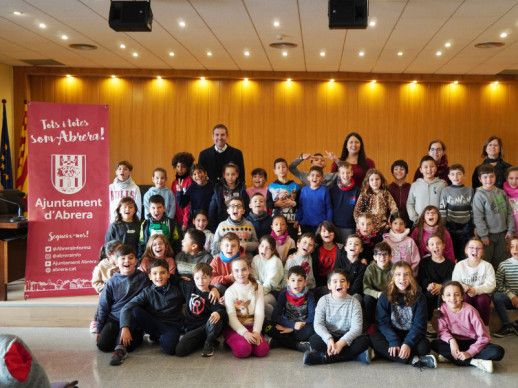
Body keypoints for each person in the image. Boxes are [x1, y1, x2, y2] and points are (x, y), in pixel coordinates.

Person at [370, 261, 436, 369]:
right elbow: (382, 322)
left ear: (411, 277)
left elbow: (419, 325)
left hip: (410, 334)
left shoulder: (420, 297)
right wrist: (393, 340)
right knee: (373, 339)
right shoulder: (385, 296)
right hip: (391, 334)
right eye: (398, 274)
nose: (403, 278)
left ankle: (388, 354)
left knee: (424, 347)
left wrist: (408, 344)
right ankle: (412, 360)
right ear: (392, 277)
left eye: (406, 274)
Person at [431, 281, 505, 373]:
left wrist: (470, 352)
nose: (453, 298)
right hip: (456, 343)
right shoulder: (442, 309)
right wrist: (452, 341)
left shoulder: (470, 311)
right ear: (443, 298)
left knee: (498, 351)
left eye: (456, 294)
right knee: (435, 344)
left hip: (473, 342)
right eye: (448, 295)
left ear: (462, 297)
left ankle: (454, 358)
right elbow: (442, 332)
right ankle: (475, 362)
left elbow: (484, 338)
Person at [118, 260, 185, 361]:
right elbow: (126, 307)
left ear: (168, 274)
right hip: (154, 323)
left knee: (169, 350)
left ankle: (160, 338)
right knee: (135, 310)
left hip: (171, 325)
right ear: (150, 276)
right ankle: (119, 349)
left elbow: (195, 289)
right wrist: (124, 327)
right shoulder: (147, 292)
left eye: (162, 272)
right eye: (155, 273)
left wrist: (213, 289)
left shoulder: (177, 289)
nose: (159, 277)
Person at [303, 269, 370, 365]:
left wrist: (341, 343)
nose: (339, 284)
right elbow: (318, 324)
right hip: (330, 337)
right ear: (329, 286)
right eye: (335, 281)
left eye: (342, 281)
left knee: (364, 341)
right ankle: (355, 355)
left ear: (348, 285)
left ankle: (324, 358)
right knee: (314, 340)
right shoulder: (323, 301)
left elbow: (357, 328)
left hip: (347, 338)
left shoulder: (354, 302)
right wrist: (329, 339)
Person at [96, 245, 149, 365]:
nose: (127, 261)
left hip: (133, 320)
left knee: (127, 346)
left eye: (130, 258)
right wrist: (99, 329)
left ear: (136, 261)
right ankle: (120, 338)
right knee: (103, 345)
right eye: (123, 258)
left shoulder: (143, 278)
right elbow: (104, 306)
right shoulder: (111, 282)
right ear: (116, 262)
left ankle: (130, 340)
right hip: (115, 319)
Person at [175, 262, 226, 357]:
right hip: (193, 328)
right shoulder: (189, 287)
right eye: (197, 278)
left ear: (211, 278)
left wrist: (218, 313)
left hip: (206, 327)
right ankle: (204, 340)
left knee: (216, 317)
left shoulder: (212, 295)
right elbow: (174, 279)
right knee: (180, 350)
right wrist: (185, 276)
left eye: (204, 278)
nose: (200, 282)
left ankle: (209, 343)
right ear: (193, 278)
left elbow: (222, 311)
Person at [224, 257, 270, 358]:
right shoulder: (230, 292)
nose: (240, 273)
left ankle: (248, 341)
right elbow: (231, 317)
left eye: (244, 269)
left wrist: (256, 331)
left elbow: (259, 312)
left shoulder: (258, 288)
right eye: (236, 270)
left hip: (252, 326)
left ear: (249, 270)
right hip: (235, 328)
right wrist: (244, 333)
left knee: (262, 350)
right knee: (244, 350)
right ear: (232, 272)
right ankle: (230, 341)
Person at [472, 164, 515, 269]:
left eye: (491, 176)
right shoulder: (479, 195)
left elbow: (509, 212)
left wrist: (510, 230)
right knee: (486, 261)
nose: (488, 180)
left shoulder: (501, 193)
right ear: (480, 179)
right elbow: (478, 217)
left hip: (503, 235)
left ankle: (497, 284)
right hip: (488, 236)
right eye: (485, 177)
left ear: (495, 177)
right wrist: (483, 235)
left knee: (500, 261)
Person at [267, 265, 315, 352]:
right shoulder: (284, 294)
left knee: (314, 329)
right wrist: (292, 325)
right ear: (288, 282)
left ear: (305, 282)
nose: (296, 284)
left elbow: (313, 317)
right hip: (287, 324)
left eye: (300, 280)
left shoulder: (309, 295)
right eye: (293, 280)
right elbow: (275, 316)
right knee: (267, 325)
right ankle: (297, 344)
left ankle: (281, 341)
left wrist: (293, 329)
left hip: (302, 327)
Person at [452, 237, 496, 325]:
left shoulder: (487, 266)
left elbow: (491, 285)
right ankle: (466, 326)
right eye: (471, 247)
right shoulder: (460, 265)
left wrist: (476, 290)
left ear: (483, 252)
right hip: (466, 293)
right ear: (466, 250)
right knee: (465, 298)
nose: (475, 250)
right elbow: (456, 282)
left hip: (481, 294)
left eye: (478, 248)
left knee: (483, 299)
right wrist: (464, 287)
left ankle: (484, 326)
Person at [439, 164, 474, 261]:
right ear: (449, 176)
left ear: (464, 175)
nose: (456, 177)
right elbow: (442, 209)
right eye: (453, 174)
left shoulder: (469, 190)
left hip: (467, 227)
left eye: (459, 174)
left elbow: (473, 209)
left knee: (465, 254)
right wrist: (443, 225)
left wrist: (474, 225)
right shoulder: (446, 191)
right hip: (451, 227)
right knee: (452, 253)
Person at [417, 235, 455, 323]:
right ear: (427, 247)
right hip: (429, 290)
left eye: (438, 243)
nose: (436, 246)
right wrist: (429, 285)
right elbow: (421, 278)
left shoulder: (450, 264)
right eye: (432, 244)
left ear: (443, 246)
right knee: (428, 295)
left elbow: (451, 279)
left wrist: (441, 286)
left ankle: (444, 322)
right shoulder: (424, 262)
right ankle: (429, 322)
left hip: (445, 290)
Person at [90, 240, 122, 333]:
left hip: (121, 291)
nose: (121, 253)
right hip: (107, 292)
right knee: (103, 300)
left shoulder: (122, 262)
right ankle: (96, 320)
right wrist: (106, 288)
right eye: (118, 251)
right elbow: (96, 283)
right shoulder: (101, 267)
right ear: (110, 254)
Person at [353, 168, 398, 234]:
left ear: (381, 180)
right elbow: (357, 212)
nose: (375, 182)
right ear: (368, 181)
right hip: (367, 229)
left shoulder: (386, 194)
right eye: (372, 180)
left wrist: (389, 223)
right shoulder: (364, 194)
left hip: (382, 229)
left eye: (377, 179)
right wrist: (361, 225)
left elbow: (394, 209)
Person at [208, 162, 249, 231]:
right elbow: (212, 210)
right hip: (223, 225)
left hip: (239, 225)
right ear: (224, 175)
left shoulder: (241, 190)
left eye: (233, 174)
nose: (230, 177)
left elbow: (247, 208)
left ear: (237, 175)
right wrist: (213, 228)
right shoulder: (218, 190)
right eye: (227, 174)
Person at [363, 242, 393, 333]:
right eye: (379, 255)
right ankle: (371, 323)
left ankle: (389, 323)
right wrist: (377, 293)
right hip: (375, 296)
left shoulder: (394, 269)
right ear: (374, 257)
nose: (382, 258)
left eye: (385, 255)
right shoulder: (370, 269)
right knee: (367, 299)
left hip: (389, 295)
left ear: (390, 256)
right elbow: (366, 289)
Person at [267, 157, 300, 242]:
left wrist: (293, 203)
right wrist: (275, 204)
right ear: (275, 171)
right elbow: (268, 203)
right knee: (276, 243)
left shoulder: (295, 186)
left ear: (288, 169)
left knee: (292, 242)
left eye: (283, 167)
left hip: (291, 221)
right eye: (278, 167)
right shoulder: (271, 186)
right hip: (277, 223)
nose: (281, 169)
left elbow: (300, 203)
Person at [407, 155, 447, 224]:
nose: (429, 169)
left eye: (432, 166)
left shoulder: (442, 185)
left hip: (437, 223)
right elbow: (410, 203)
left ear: (436, 168)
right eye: (425, 167)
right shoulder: (415, 185)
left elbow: (445, 204)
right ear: (421, 170)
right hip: (419, 223)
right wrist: (415, 218)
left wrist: (442, 220)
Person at [251, 235, 284, 318]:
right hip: (259, 290)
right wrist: (257, 289)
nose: (264, 250)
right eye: (262, 246)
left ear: (272, 250)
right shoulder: (256, 259)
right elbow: (254, 277)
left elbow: (270, 284)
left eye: (268, 248)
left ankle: (276, 320)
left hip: (273, 292)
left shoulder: (275, 261)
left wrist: (257, 294)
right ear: (258, 247)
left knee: (261, 302)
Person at [294, 166, 332, 235]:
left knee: (317, 244)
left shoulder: (324, 191)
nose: (315, 178)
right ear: (308, 178)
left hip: (320, 225)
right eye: (312, 175)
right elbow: (300, 207)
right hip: (305, 224)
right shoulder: (304, 190)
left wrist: (328, 222)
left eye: (318, 176)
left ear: (322, 179)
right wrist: (297, 220)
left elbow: (329, 208)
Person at [492, 235, 518, 337]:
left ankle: (516, 323)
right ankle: (507, 326)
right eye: (512, 246)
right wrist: (512, 296)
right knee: (496, 296)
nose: (515, 249)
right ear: (509, 249)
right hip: (509, 299)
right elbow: (498, 285)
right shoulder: (503, 265)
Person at [329, 161, 360, 244]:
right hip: (335, 225)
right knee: (338, 250)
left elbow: (359, 209)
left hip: (350, 226)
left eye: (348, 172)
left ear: (352, 173)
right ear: (338, 174)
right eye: (343, 173)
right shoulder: (333, 190)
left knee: (348, 248)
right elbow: (329, 207)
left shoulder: (357, 191)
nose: (345, 175)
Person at [383, 212, 420, 277]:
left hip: (407, 277)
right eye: (395, 223)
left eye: (401, 223)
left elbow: (416, 260)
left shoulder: (410, 241)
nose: (398, 226)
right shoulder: (386, 242)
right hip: (390, 277)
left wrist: (408, 274)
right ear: (390, 225)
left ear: (405, 225)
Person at [311, 221, 347, 289]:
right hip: (318, 283)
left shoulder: (341, 248)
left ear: (334, 233)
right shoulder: (314, 249)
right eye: (324, 231)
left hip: (336, 283)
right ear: (319, 234)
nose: (327, 233)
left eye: (330, 231)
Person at [333, 234, 367, 301]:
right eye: (350, 243)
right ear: (345, 248)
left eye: (356, 244)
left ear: (361, 249)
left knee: (357, 297)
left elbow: (356, 287)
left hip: (353, 294)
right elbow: (335, 278)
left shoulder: (362, 266)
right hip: (338, 290)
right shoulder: (339, 261)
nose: (353, 246)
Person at [172, 152, 195, 233]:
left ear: (188, 168)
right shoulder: (174, 182)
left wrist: (185, 221)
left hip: (186, 220)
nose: (180, 169)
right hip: (176, 219)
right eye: (178, 166)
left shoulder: (190, 181)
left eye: (183, 167)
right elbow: (174, 201)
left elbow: (188, 204)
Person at [388, 160, 412, 227]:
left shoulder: (411, 187)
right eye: (396, 169)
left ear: (406, 172)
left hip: (408, 222)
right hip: (393, 223)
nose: (399, 171)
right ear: (392, 173)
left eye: (402, 169)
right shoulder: (388, 188)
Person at [503, 166, 518, 232]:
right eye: (511, 178)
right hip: (508, 231)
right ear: (506, 178)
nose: (514, 181)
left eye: (517, 178)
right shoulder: (501, 194)